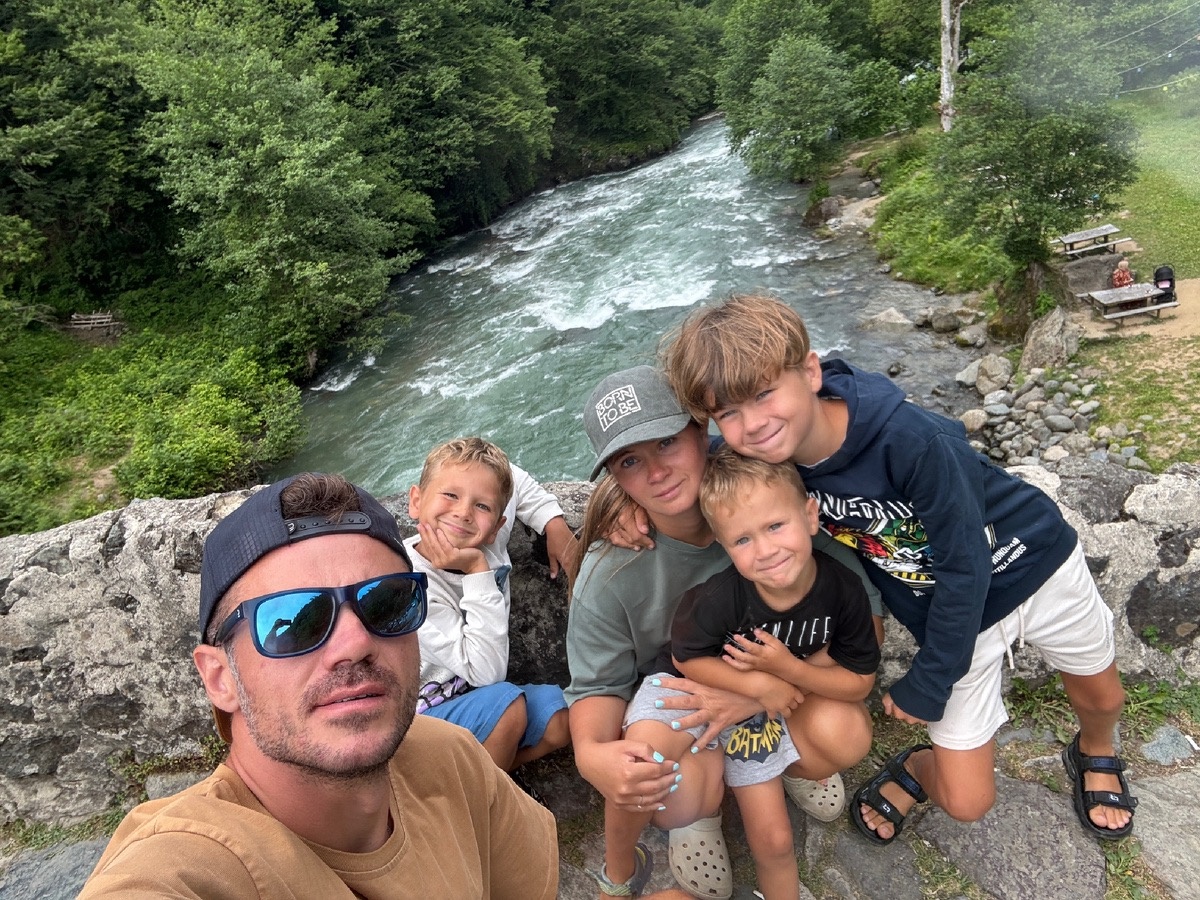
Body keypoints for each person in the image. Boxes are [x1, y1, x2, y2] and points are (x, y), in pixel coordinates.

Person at [660, 293, 1136, 845]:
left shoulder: (913, 442)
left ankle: (1095, 748)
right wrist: (621, 501)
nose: (754, 424)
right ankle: (919, 766)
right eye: (728, 413)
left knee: (1103, 697)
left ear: (810, 372)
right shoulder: (768, 459)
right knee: (965, 801)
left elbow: (965, 568)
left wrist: (930, 679)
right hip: (956, 619)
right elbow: (700, 465)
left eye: (764, 393)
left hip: (1035, 566)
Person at [79, 472, 558, 898]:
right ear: (220, 678)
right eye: (291, 622)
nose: (355, 642)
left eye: (386, 602)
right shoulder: (189, 862)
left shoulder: (452, 759)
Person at [565, 366, 881, 899]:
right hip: (691, 706)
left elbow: (859, 623)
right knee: (671, 789)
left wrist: (753, 695)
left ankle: (790, 764)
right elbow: (598, 684)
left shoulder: (770, 503)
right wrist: (590, 754)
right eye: (629, 461)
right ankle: (700, 812)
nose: (657, 472)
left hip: (782, 685)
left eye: (667, 441)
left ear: (701, 430)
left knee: (842, 733)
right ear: (615, 479)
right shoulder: (610, 571)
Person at [672, 447, 877, 899]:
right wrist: (758, 684)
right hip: (723, 716)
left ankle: (792, 767)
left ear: (810, 516)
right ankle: (699, 814)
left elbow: (860, 679)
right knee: (771, 838)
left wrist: (788, 671)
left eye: (775, 526)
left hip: (772, 715)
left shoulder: (843, 589)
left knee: (777, 841)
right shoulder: (719, 598)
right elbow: (686, 657)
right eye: (742, 540)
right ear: (724, 546)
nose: (765, 551)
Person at [406, 437, 570, 774]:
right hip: (420, 718)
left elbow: (513, 476)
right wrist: (477, 571)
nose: (464, 512)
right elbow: (487, 674)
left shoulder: (487, 539)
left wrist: (553, 522)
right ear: (416, 501)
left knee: (559, 718)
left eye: (482, 506)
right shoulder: (407, 585)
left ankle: (479, 779)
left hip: (473, 701)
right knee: (507, 708)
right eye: (450, 495)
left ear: (497, 527)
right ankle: (486, 800)